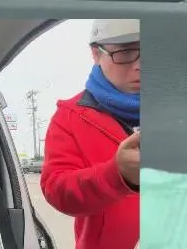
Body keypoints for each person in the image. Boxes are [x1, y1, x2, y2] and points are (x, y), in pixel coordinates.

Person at [41, 19, 141, 249]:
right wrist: (117, 174)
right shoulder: (70, 117)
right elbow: (57, 190)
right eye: (126, 53)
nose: (140, 65)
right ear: (96, 53)